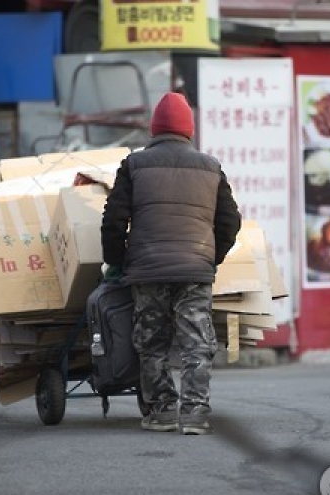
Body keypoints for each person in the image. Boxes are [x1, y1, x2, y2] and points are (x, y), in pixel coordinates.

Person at [100, 92, 242, 434]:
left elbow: (113, 221)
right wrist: (211, 258)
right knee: (197, 341)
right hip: (195, 270)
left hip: (147, 271)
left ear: (154, 129)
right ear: (189, 129)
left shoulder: (134, 165)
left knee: (152, 341)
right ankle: (194, 413)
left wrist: (117, 263)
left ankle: (162, 410)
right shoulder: (210, 166)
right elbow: (230, 222)